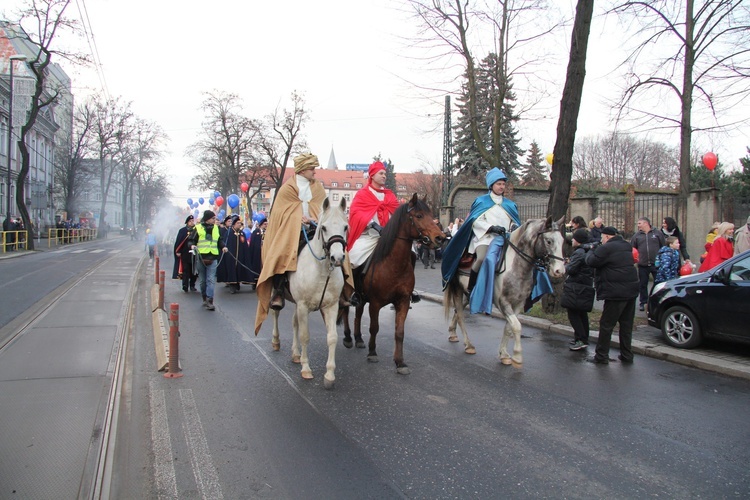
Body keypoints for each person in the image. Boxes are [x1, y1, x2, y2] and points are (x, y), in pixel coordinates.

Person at [254, 153, 355, 334]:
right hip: (291, 229)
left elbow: (324, 211)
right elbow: (279, 212)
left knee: (337, 250)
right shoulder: (287, 189)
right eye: (311, 169)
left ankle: (340, 292)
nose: (314, 172)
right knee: (281, 253)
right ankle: (278, 290)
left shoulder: (318, 188)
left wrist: (315, 220)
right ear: (302, 169)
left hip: (314, 228)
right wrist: (296, 217)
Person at [441, 167, 521, 310]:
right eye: (498, 184)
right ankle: (472, 288)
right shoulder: (481, 201)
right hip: (485, 238)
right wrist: (491, 227)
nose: (501, 187)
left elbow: (514, 221)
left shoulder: (510, 204)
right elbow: (474, 221)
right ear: (491, 185)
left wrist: (514, 226)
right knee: (482, 258)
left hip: (505, 238)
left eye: (503, 184)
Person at [585, 226, 640, 364]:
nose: (601, 240)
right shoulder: (626, 246)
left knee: (606, 325)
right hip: (631, 290)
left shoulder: (606, 248)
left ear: (607, 237)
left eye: (602, 237)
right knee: (626, 325)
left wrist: (592, 249)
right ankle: (627, 355)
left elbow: (591, 261)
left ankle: (601, 355)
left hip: (616, 292)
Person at [347, 160, 400, 268]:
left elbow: (398, 214)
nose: (384, 176)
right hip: (370, 237)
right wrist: (373, 224)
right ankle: (352, 284)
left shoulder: (390, 195)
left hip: (391, 238)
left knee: (411, 253)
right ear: (372, 175)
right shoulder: (363, 194)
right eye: (381, 173)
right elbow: (356, 213)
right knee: (352, 259)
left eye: (385, 173)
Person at [561, 229, 596, 351]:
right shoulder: (588, 250)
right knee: (582, 313)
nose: (572, 240)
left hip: (576, 286)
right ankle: (582, 338)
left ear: (579, 240)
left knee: (573, 314)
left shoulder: (579, 252)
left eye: (574, 238)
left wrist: (565, 265)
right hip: (585, 284)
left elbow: (571, 269)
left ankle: (580, 339)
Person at [188, 209, 228, 311]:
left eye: (215, 218)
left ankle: (210, 301)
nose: (215, 220)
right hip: (201, 257)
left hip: (213, 257)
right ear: (207, 219)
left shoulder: (216, 228)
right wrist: (192, 246)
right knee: (202, 281)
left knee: (211, 280)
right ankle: (204, 297)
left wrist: (223, 246)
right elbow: (191, 240)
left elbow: (219, 240)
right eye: (213, 218)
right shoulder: (197, 228)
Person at [630, 217, 665, 311]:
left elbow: (663, 246)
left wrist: (661, 259)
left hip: (656, 264)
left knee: (659, 283)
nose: (638, 225)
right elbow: (633, 249)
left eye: (639, 223)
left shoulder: (657, 233)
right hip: (642, 265)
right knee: (642, 284)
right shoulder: (636, 236)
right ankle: (643, 302)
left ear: (646, 223)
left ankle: (657, 301)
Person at [217, 215, 253, 293]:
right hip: (231, 256)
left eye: (240, 223)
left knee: (239, 269)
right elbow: (226, 244)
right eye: (237, 223)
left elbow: (244, 246)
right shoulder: (229, 233)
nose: (239, 224)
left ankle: (237, 283)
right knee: (231, 270)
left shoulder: (242, 233)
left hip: (240, 257)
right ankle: (232, 285)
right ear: (234, 224)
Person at [172, 214, 198, 292]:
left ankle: (192, 285)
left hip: (194, 254)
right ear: (187, 222)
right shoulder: (182, 231)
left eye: (193, 221)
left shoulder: (196, 230)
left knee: (194, 270)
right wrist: (178, 251)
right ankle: (185, 285)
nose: (192, 222)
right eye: (190, 221)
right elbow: (179, 242)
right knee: (186, 270)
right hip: (185, 254)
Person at [247, 217, 267, 288]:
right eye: (264, 224)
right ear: (261, 225)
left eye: (266, 224)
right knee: (256, 267)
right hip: (257, 253)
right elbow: (252, 243)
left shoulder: (267, 233)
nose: (266, 225)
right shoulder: (256, 232)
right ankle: (255, 282)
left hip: (265, 252)